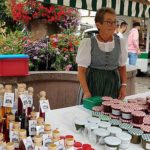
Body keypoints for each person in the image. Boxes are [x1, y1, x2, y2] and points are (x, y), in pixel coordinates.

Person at [76, 8, 127, 100]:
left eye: (114, 22)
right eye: (109, 22)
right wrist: (86, 92)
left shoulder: (120, 43)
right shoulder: (88, 43)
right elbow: (81, 71)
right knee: (91, 112)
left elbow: (122, 67)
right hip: (92, 83)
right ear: (98, 24)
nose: (113, 25)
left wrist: (123, 86)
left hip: (113, 84)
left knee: (110, 111)